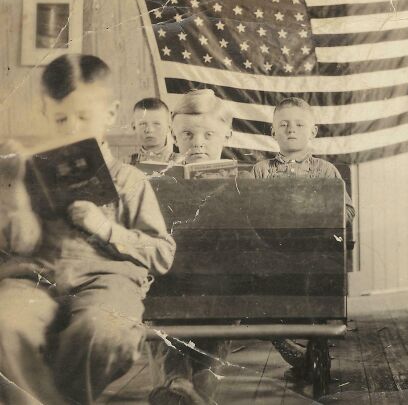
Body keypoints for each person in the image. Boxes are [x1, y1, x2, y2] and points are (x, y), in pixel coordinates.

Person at [0, 53, 176, 405]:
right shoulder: (29, 175)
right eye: (61, 119)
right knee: (6, 323)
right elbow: (19, 245)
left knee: (104, 331)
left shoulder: (130, 180)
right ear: (44, 113)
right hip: (36, 279)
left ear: (110, 114)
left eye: (83, 117)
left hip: (107, 282)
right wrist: (15, 194)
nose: (71, 129)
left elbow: (162, 253)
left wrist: (106, 228)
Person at [253, 97, 355, 378]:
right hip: (274, 255)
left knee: (314, 287)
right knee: (259, 295)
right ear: (273, 132)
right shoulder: (261, 171)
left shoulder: (325, 171)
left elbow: (347, 211)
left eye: (299, 124)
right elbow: (249, 214)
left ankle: (315, 355)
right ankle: (297, 354)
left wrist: (318, 215)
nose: (291, 129)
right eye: (283, 125)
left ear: (313, 131)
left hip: (314, 255)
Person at [148, 88, 239, 405]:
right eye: (187, 134)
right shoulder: (159, 180)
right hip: (170, 282)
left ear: (226, 134)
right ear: (174, 136)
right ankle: (189, 387)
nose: (198, 142)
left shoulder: (243, 182)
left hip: (220, 287)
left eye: (208, 134)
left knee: (215, 305)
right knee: (160, 299)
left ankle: (185, 386)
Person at [127, 97, 176, 164]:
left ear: (169, 127)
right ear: (134, 127)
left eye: (157, 124)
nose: (149, 130)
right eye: (143, 124)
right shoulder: (125, 164)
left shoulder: (182, 162)